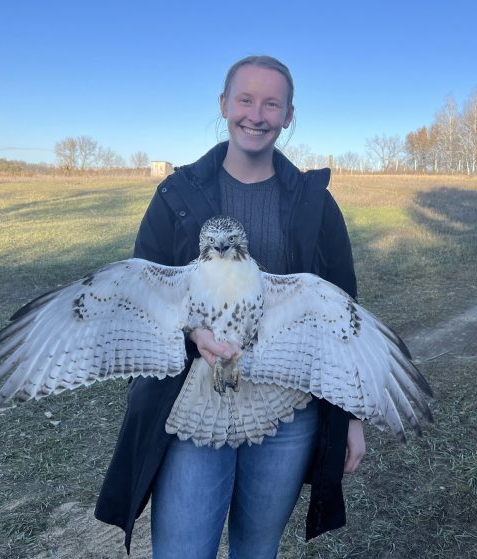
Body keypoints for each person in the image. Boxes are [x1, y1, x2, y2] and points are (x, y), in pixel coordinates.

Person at [95, 55, 366, 558]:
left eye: (272, 104)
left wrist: (350, 416)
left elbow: (344, 314)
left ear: (289, 115)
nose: (256, 115)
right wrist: (193, 332)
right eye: (245, 99)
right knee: (182, 550)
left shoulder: (314, 203)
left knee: (258, 548)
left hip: (287, 406)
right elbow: (145, 299)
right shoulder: (176, 194)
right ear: (223, 105)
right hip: (196, 400)